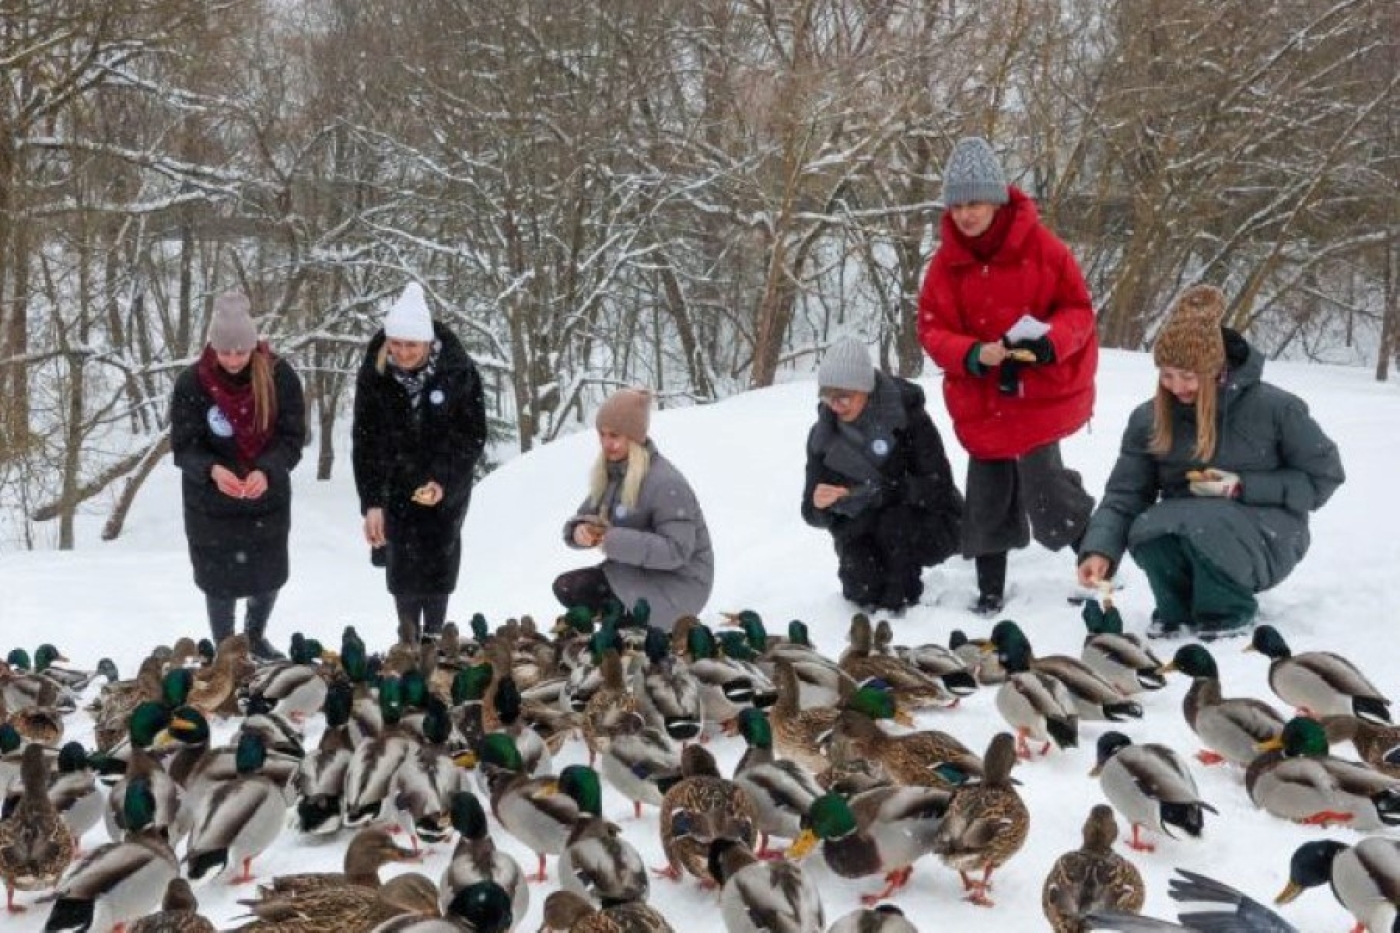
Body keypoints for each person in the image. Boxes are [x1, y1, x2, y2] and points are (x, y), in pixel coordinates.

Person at [1076, 284, 1344, 640]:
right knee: (1149, 525)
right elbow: (1125, 494)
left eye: (1188, 376)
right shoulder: (1149, 419)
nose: (1177, 387)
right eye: (1167, 375)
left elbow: (1324, 478)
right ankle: (1177, 610)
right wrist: (1098, 550)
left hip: (1269, 530)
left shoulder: (1276, 408)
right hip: (1188, 524)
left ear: (1216, 369)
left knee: (1206, 521)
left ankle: (1227, 610)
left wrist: (1241, 487)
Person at [917, 136, 1099, 615]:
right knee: (987, 495)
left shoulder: (1045, 249)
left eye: (974, 202)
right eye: (956, 205)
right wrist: (974, 352)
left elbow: (1079, 311)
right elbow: (932, 330)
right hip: (983, 393)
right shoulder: (945, 264)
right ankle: (989, 589)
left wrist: (1049, 343)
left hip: (1035, 391)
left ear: (997, 199)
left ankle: (1094, 557)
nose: (966, 214)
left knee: (1047, 494)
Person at [171, 292, 305, 661]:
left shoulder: (280, 377)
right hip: (210, 503)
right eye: (225, 352)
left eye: (240, 352)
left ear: (253, 347)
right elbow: (183, 446)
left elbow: (292, 438)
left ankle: (256, 635)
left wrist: (267, 469)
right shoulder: (192, 384)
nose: (232, 360)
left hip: (266, 499)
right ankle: (225, 647)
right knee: (219, 581)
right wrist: (212, 470)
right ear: (213, 347)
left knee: (268, 574)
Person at [352, 283, 487, 640]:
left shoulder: (458, 373)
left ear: (427, 343)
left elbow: (471, 435)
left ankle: (436, 637)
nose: (402, 352)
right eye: (395, 344)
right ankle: (408, 639)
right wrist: (372, 502)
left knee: (438, 559)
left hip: (444, 485)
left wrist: (441, 479)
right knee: (402, 565)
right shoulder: (375, 375)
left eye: (411, 345)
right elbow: (365, 442)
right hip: (394, 485)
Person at [801, 338, 964, 612]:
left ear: (865, 389)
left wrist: (886, 492)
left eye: (844, 396)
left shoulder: (908, 418)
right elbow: (809, 511)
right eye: (828, 396)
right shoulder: (823, 436)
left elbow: (939, 486)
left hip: (922, 520)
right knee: (861, 587)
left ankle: (906, 599)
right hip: (860, 528)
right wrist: (819, 506)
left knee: (895, 545)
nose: (836, 405)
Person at [554, 387, 714, 632]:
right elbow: (585, 515)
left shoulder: (666, 483)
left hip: (680, 584)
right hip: (640, 572)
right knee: (568, 587)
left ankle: (644, 631)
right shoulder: (614, 472)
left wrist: (612, 539)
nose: (607, 444)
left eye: (615, 436)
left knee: (588, 594)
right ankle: (624, 628)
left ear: (635, 437)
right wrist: (579, 531)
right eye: (602, 435)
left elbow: (676, 551)